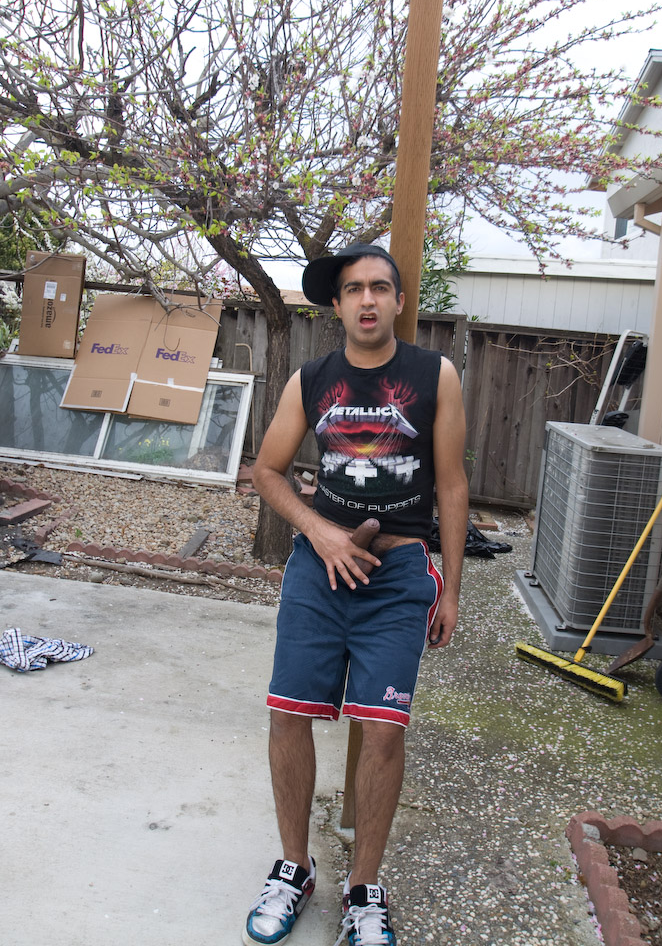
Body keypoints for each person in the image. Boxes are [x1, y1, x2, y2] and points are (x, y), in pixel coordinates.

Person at [243, 243, 468, 946]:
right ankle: (295, 868)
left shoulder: (434, 374)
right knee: (288, 714)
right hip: (321, 570)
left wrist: (451, 591)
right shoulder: (311, 379)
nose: (366, 299)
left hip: (398, 576)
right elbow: (267, 470)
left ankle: (364, 888)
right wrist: (318, 531)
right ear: (337, 305)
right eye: (352, 289)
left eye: (379, 287)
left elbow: (453, 484)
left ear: (398, 300)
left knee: (384, 730)